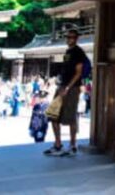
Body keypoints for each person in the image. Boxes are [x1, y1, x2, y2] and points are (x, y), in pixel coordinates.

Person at [43, 29, 89, 157]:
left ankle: (73, 145)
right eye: (68, 37)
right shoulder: (68, 52)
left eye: (72, 37)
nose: (69, 39)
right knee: (53, 114)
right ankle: (58, 144)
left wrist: (68, 87)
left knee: (70, 116)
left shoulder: (78, 52)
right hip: (62, 86)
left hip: (72, 88)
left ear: (76, 38)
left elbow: (78, 72)